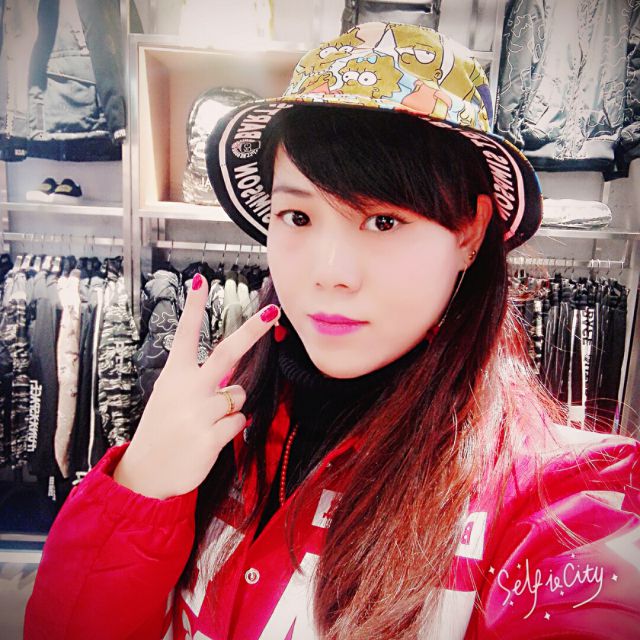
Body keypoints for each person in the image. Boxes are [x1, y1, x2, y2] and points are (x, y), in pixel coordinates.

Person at [25, 22, 640, 640]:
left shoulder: (559, 498)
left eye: (383, 221)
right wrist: (140, 486)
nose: (330, 273)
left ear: (469, 233)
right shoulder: (223, 432)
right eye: (297, 215)